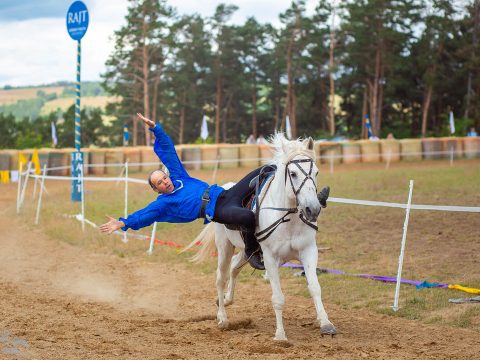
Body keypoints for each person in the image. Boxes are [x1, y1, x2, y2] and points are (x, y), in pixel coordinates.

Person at [100, 113, 266, 270]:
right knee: (247, 217)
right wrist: (122, 223)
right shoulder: (163, 204)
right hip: (216, 210)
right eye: (160, 183)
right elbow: (143, 216)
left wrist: (155, 128)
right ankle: (252, 251)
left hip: (225, 194)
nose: (165, 182)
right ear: (157, 190)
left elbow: (168, 151)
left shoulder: (179, 177)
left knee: (264, 170)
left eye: (164, 178)